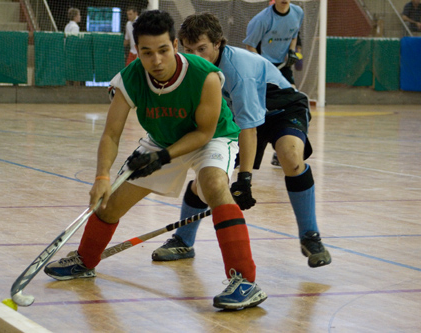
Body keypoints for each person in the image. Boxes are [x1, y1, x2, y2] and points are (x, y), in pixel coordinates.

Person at [44, 10, 267, 311]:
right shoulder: (130, 79)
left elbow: (203, 133)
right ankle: (84, 261)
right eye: (147, 53)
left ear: (175, 45)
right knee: (108, 204)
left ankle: (246, 282)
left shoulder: (206, 75)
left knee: (214, 184)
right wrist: (101, 178)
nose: (157, 60)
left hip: (211, 138)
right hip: (161, 140)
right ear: (137, 51)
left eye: (163, 50)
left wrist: (162, 158)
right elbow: (111, 134)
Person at [151, 13, 331, 271]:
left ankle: (310, 236)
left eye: (202, 49)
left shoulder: (238, 71)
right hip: (240, 115)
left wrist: (244, 179)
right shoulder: (188, 67)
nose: (195, 56)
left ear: (218, 44)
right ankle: (183, 240)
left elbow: (249, 128)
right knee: (209, 175)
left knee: (291, 158)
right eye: (189, 50)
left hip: (282, 109)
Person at [243, 0, 304, 167]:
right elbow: (250, 46)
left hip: (283, 66)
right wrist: (264, 67)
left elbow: (294, 34)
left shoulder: (298, 12)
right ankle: (249, 153)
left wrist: (292, 51)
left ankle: (281, 150)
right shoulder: (261, 19)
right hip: (263, 65)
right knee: (262, 109)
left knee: (291, 100)